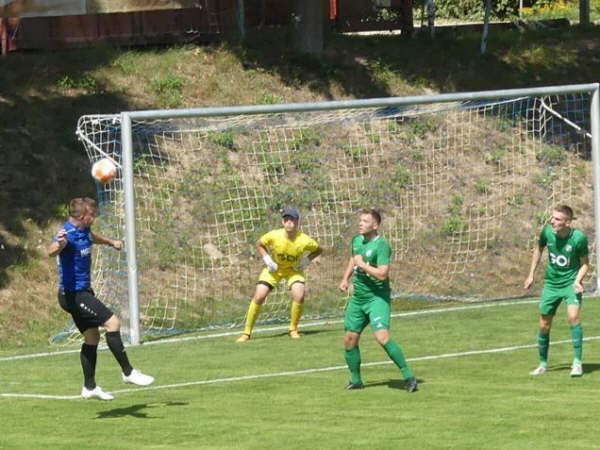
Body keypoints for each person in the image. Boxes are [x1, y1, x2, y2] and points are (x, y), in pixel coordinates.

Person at [48, 197, 154, 400]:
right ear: (83, 216)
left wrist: (111, 242)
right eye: (92, 215)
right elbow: (51, 250)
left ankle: (89, 387)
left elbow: (92, 236)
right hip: (73, 295)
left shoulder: (84, 230)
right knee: (113, 323)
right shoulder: (67, 233)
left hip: (83, 293)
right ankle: (128, 372)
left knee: (92, 337)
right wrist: (59, 245)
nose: (94, 218)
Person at [338, 208, 417, 392]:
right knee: (350, 339)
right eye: (360, 220)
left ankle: (408, 376)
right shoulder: (357, 240)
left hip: (377, 299)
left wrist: (363, 265)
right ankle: (356, 381)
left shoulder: (382, 245)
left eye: (365, 221)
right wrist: (345, 279)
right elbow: (353, 258)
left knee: (382, 337)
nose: (360, 223)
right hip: (358, 299)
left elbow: (382, 274)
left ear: (375, 225)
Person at [236, 208, 323, 342]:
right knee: (259, 296)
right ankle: (246, 333)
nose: (289, 223)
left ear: (297, 222)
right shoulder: (274, 235)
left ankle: (293, 329)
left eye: (292, 220)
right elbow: (260, 244)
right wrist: (267, 259)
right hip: (274, 269)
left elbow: (318, 249)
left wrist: (305, 261)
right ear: (282, 222)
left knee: (299, 295)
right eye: (286, 220)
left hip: (294, 270)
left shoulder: (304, 240)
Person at [524, 204, 589, 377]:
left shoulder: (579, 239)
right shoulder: (546, 233)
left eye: (557, 219)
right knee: (544, 324)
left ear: (567, 222)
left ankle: (577, 363)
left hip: (570, 284)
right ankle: (543, 364)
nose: (553, 221)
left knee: (573, 317)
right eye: (553, 218)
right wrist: (531, 274)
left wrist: (577, 281)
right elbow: (538, 249)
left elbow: (585, 264)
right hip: (551, 284)